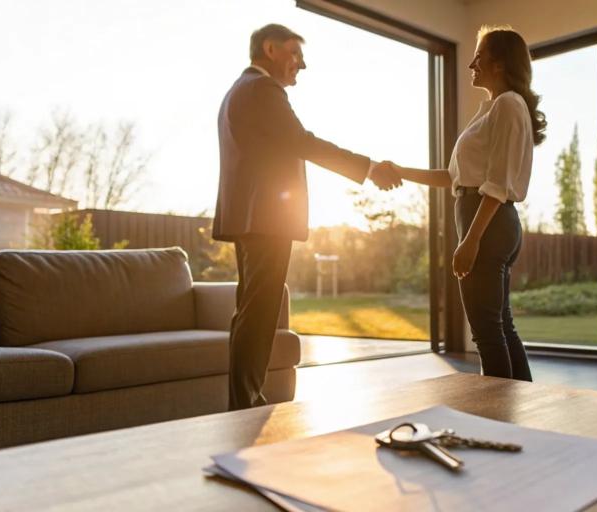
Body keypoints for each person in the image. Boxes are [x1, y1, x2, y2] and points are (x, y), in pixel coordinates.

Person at [212, 24, 402, 410]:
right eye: (295, 53)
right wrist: (367, 168)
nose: (302, 63)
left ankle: (247, 398)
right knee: (260, 312)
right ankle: (244, 404)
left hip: (250, 218)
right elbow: (302, 141)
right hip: (266, 218)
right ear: (270, 49)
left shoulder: (238, 90)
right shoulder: (262, 89)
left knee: (252, 310)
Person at [392, 25, 546, 381]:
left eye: (479, 55)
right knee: (500, 325)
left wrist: (470, 239)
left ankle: (497, 424)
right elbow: (454, 176)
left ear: (499, 63)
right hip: (489, 220)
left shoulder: (508, 105)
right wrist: (401, 171)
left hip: (487, 223)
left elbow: (495, 183)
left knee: (487, 332)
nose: (472, 63)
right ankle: (519, 414)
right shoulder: (496, 108)